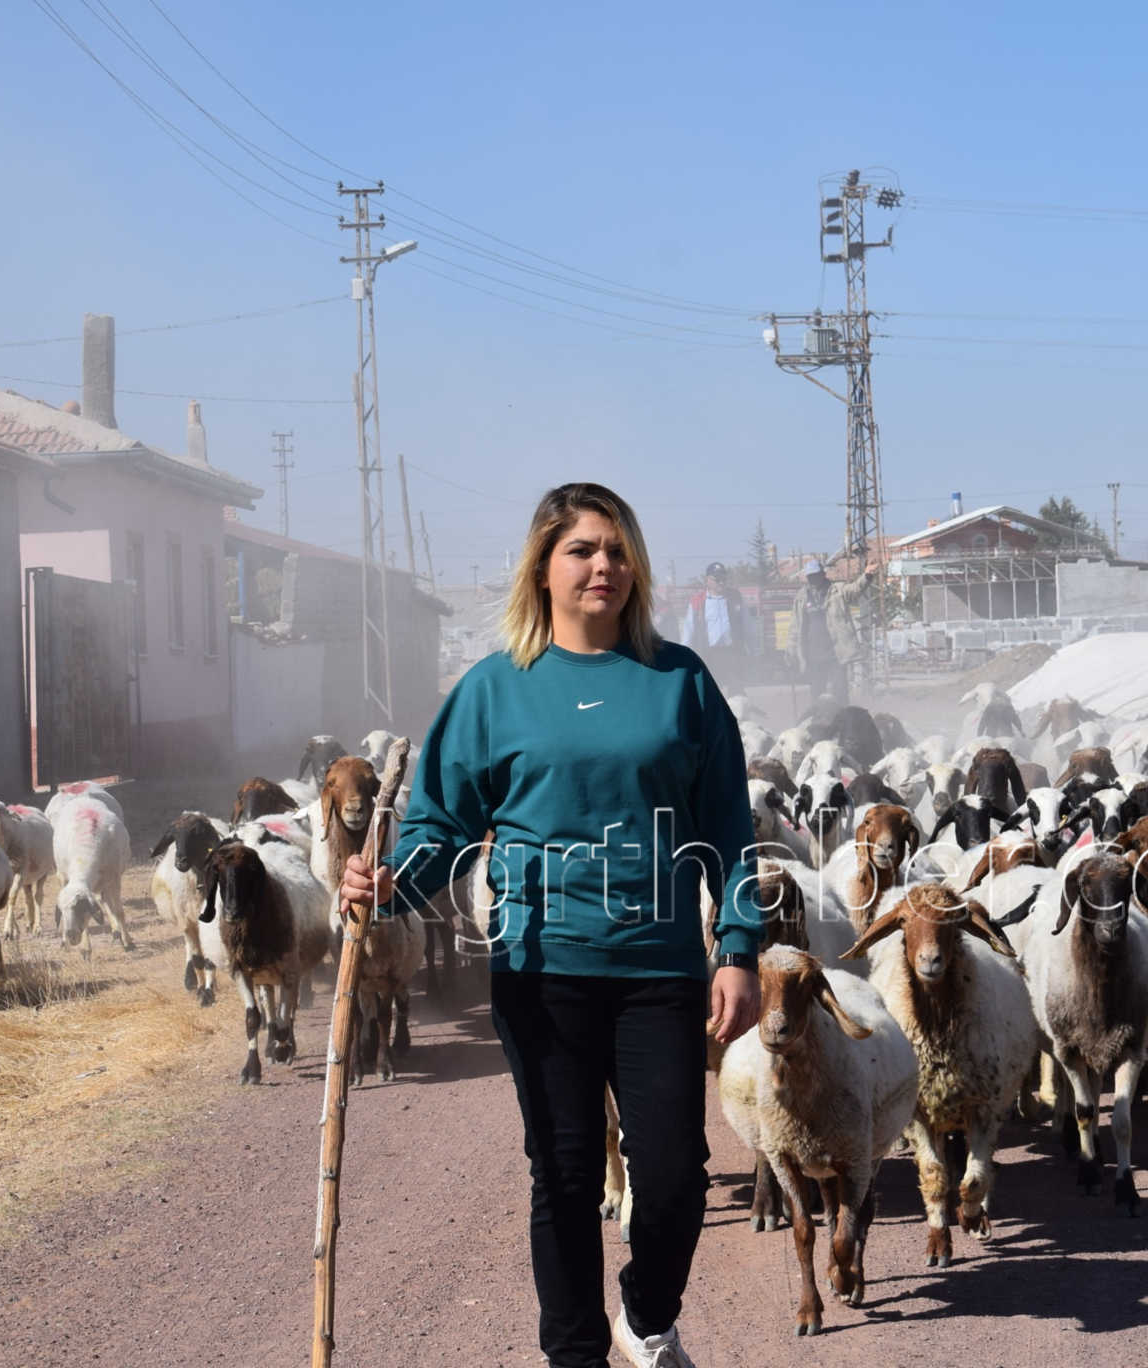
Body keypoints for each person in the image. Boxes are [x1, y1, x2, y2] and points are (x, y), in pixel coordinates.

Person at [339, 482, 760, 1368]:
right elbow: (442, 827)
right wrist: (383, 891)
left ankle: (645, 1313)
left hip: (660, 968)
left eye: (616, 549)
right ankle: (575, 1357)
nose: (602, 565)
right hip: (541, 969)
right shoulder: (495, 690)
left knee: (677, 1177)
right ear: (542, 567)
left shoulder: (679, 680)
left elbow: (726, 824)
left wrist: (740, 946)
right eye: (582, 550)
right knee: (565, 1176)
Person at [789, 558, 870, 705]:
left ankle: (844, 722)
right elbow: (795, 627)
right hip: (813, 655)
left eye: (815, 575)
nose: (813, 579)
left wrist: (867, 575)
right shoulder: (801, 597)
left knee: (840, 691)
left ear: (822, 574)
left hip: (836, 653)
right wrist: (791, 651)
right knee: (817, 694)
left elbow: (855, 589)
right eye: (810, 576)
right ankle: (819, 724)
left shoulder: (837, 590)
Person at [682, 560, 746, 684]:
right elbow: (688, 630)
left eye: (724, 579)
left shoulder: (735, 597)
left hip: (732, 653)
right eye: (717, 579)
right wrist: (683, 654)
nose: (721, 582)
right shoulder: (697, 601)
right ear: (707, 580)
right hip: (708, 655)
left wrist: (755, 652)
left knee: (736, 694)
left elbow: (748, 625)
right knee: (711, 692)